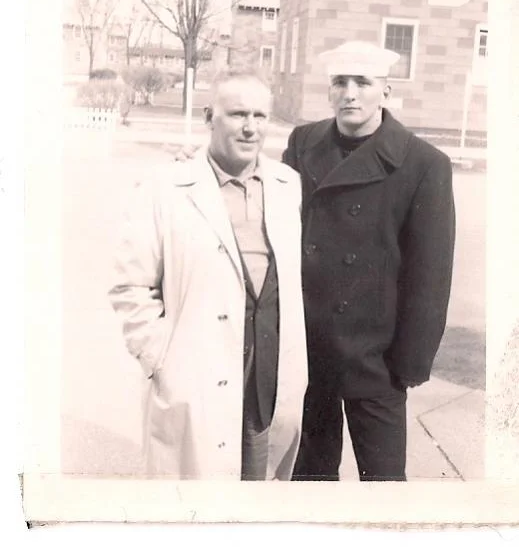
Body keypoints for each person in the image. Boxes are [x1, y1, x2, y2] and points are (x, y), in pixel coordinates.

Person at [108, 69, 308, 480]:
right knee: (195, 506)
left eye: (260, 115)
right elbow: (131, 284)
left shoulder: (289, 186)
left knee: (256, 498)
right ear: (207, 116)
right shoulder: (165, 187)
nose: (250, 128)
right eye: (237, 114)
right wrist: (159, 358)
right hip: (194, 374)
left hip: (266, 378)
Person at [283, 41, 456, 482]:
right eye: (340, 82)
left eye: (363, 82)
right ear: (329, 90)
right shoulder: (304, 143)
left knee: (383, 485)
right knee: (307, 480)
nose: (350, 93)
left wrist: (409, 365)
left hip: (375, 359)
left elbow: (430, 277)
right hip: (311, 350)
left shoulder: (423, 164)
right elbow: (274, 212)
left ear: (387, 91)